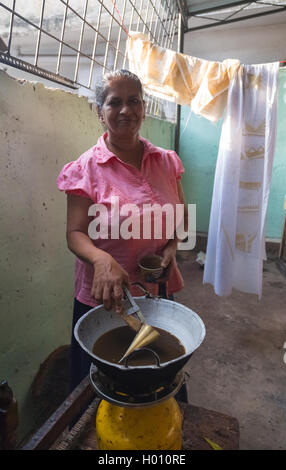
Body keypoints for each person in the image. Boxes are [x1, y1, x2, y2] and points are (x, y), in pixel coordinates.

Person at [57, 70, 188, 399]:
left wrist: (172, 247)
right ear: (100, 111)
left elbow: (179, 216)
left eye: (134, 101)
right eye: (115, 102)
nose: (126, 110)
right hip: (105, 299)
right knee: (101, 389)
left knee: (159, 374)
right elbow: (75, 233)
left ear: (143, 108)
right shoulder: (86, 169)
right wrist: (101, 259)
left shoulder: (167, 162)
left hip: (156, 291)